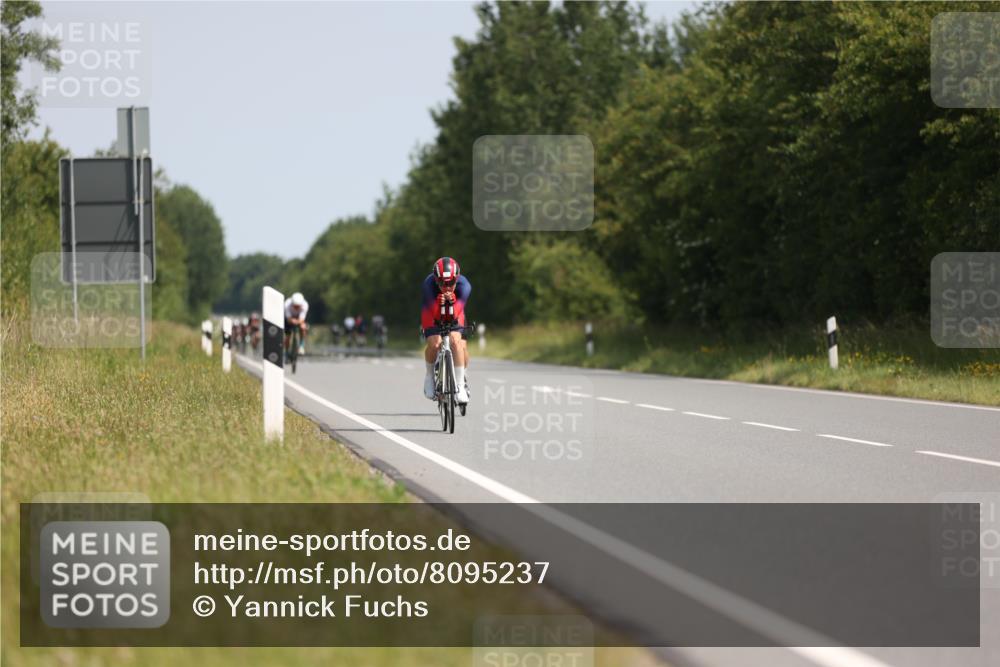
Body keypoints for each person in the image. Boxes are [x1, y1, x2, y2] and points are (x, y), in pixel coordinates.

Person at [421, 257, 470, 403]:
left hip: (456, 309)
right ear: (436, 280)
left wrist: (453, 301)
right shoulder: (428, 285)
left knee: (457, 341)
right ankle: (429, 377)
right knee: (435, 343)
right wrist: (438, 303)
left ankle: (460, 384)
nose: (447, 287)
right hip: (431, 310)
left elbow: (457, 313)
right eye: (442, 283)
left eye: (451, 283)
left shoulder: (464, 285)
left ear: (457, 278)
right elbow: (434, 313)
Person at [284, 292, 309, 358]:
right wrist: (292, 321)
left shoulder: (305, 305)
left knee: (303, 327)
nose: (297, 308)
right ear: (292, 303)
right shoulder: (287, 304)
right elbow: (288, 319)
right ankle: (286, 352)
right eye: (295, 306)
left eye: (298, 306)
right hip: (289, 318)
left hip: (299, 318)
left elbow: (302, 319)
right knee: (287, 336)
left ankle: (301, 346)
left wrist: (298, 322)